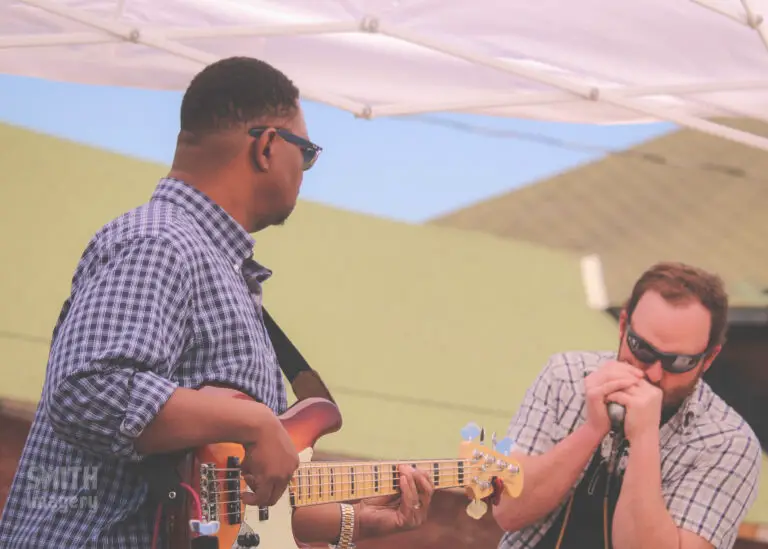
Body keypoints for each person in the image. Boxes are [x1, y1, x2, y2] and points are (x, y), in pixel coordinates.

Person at [0, 56, 434, 548]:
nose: (307, 170)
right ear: (269, 146)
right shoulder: (160, 241)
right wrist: (250, 419)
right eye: (308, 153)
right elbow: (86, 390)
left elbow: (222, 500)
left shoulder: (211, 264)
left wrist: (355, 521)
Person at [492, 262, 762, 549]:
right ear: (623, 327)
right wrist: (592, 429)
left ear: (708, 359)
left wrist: (644, 438)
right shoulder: (566, 376)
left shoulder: (728, 444)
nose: (655, 374)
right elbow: (508, 511)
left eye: (679, 362)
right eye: (643, 349)